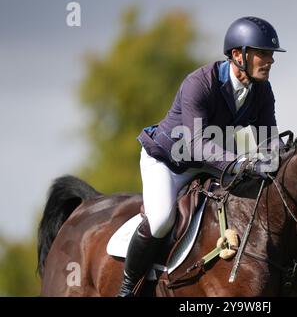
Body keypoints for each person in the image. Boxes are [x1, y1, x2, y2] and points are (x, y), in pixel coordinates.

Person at [117, 16, 286, 297]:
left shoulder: (262, 91)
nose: (269, 60)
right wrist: (240, 163)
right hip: (169, 161)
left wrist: (278, 163)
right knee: (161, 220)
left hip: (210, 165)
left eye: (270, 54)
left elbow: (270, 141)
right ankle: (126, 290)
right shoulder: (200, 82)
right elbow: (196, 144)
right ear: (237, 55)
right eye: (262, 53)